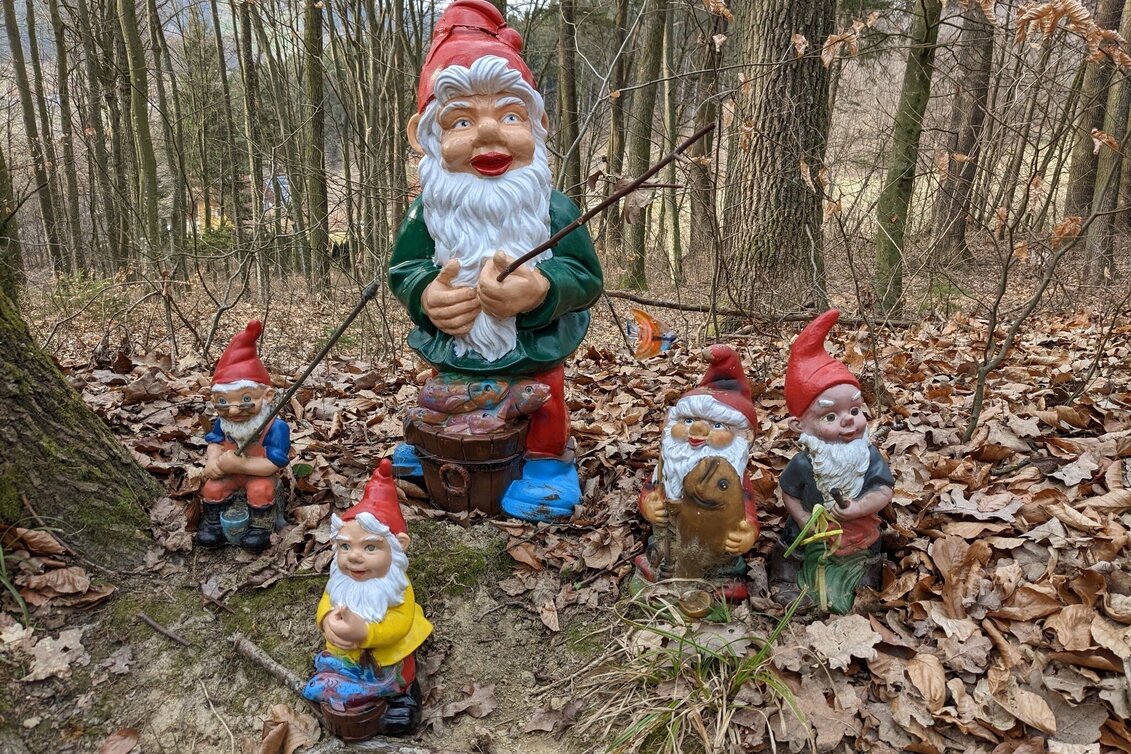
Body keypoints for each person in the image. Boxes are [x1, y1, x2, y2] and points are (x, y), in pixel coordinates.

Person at [388, 0, 603, 522]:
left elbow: (585, 277)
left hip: (533, 350)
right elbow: (405, 270)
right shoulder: (427, 211)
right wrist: (427, 295)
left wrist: (541, 290)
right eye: (461, 120)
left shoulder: (555, 209)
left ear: (539, 124)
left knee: (544, 402)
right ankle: (434, 447)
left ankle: (546, 464)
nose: (488, 134)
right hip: (454, 351)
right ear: (426, 136)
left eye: (509, 115)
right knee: (444, 396)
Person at [304, 459, 432, 737]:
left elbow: (399, 623)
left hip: (388, 654)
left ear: (399, 547)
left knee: (401, 672)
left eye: (370, 547)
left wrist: (364, 633)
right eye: (345, 546)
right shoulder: (341, 581)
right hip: (346, 654)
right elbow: (326, 603)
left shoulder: (395, 587)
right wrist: (326, 621)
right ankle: (346, 692)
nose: (354, 556)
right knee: (337, 669)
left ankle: (403, 696)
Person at [778, 309, 894, 614]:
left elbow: (883, 491)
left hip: (858, 530)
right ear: (799, 427)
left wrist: (857, 508)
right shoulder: (805, 464)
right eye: (830, 416)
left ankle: (863, 586)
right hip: (812, 531)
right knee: (791, 548)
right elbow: (788, 491)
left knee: (869, 551)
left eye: (854, 411)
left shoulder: (867, 456)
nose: (848, 422)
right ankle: (790, 581)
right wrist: (802, 517)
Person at [638, 345, 760, 583]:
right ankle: (663, 566)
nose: (697, 429)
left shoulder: (734, 477)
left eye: (716, 425)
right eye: (689, 420)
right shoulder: (666, 467)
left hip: (714, 545)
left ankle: (720, 576)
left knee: (721, 566)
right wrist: (648, 505)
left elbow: (747, 509)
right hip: (671, 540)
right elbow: (649, 490)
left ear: (740, 437)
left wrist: (748, 532)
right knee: (660, 558)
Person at [198, 320, 290, 552]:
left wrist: (241, 463)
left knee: (261, 490)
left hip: (257, 476)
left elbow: (272, 464)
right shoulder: (224, 422)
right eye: (223, 403)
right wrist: (212, 461)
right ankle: (213, 525)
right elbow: (215, 443)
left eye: (246, 399)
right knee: (212, 488)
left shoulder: (275, 428)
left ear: (267, 396)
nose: (234, 410)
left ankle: (260, 527)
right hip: (230, 475)